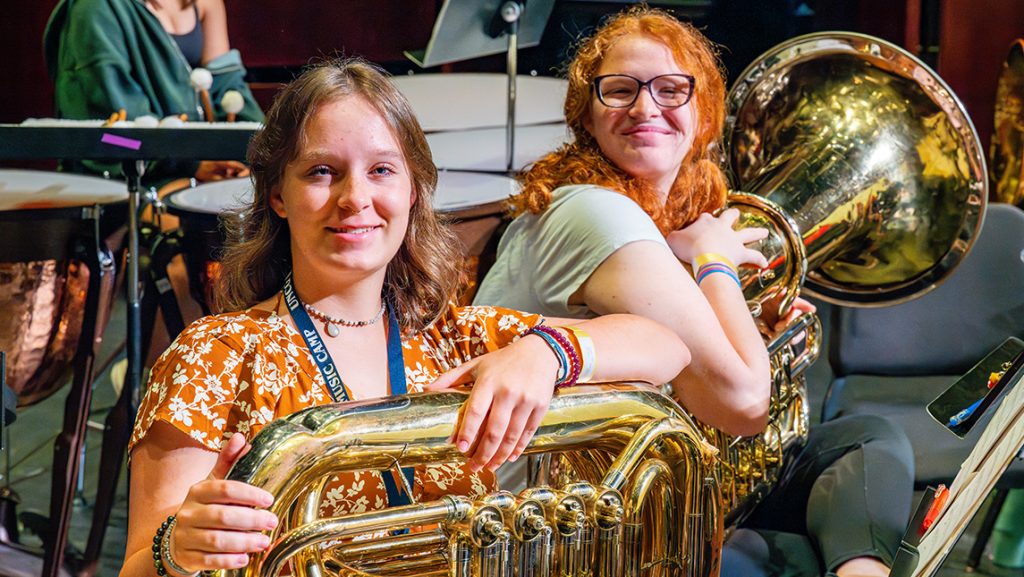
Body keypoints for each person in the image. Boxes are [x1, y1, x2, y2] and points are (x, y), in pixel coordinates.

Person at [119, 58, 689, 576]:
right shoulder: (215, 354)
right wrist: (178, 549)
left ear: (414, 190)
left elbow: (667, 346)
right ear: (276, 195)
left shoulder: (455, 340)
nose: (354, 198)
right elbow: (138, 569)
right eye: (321, 171)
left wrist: (547, 352)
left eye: (382, 171)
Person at [474, 7, 914, 577]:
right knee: (778, 556)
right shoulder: (591, 210)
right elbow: (743, 404)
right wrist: (714, 264)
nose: (644, 107)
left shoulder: (648, 210)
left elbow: (697, 375)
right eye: (620, 90)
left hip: (619, 498)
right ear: (586, 112)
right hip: (558, 531)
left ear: (703, 111)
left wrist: (750, 331)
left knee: (866, 438)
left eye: (671, 89)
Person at [44, 0, 263, 186]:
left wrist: (264, 153)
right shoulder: (94, 8)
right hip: (130, 175)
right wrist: (189, 164)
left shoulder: (205, 3)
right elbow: (113, 132)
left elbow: (228, 89)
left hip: (202, 164)